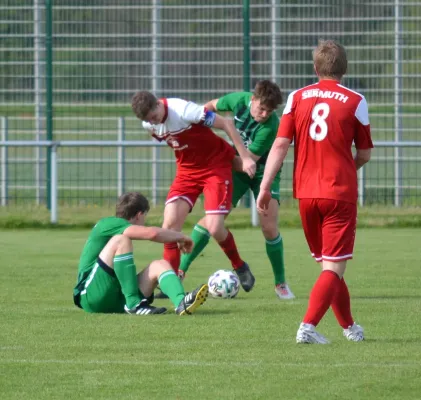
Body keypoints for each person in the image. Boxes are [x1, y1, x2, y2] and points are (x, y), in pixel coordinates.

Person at [257, 39, 373, 343]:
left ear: (315, 67)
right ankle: (307, 326)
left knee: (330, 266)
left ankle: (349, 327)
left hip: (306, 194)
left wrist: (265, 186)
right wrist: (347, 169)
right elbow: (364, 154)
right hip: (338, 192)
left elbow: (280, 144)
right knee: (333, 267)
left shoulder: (297, 97)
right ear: (344, 69)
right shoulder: (355, 100)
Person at [131, 91, 257, 296]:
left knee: (215, 227)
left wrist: (244, 158)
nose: (152, 122)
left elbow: (227, 124)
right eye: (147, 120)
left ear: (157, 104)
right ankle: (172, 282)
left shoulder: (184, 110)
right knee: (169, 227)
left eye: (153, 116)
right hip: (187, 172)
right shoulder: (149, 125)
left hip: (215, 167)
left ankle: (239, 265)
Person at [178, 80, 295, 299]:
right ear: (253, 99)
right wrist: (198, 127)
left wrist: (215, 153)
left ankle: (280, 283)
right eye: (261, 108)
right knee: (213, 220)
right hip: (236, 165)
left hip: (263, 171)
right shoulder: (238, 100)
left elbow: (248, 162)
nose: (264, 114)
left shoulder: (271, 126)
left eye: (269, 111)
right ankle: (180, 271)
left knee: (269, 227)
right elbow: (212, 105)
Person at [73, 192, 209, 316]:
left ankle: (181, 302)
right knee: (120, 240)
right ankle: (134, 304)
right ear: (139, 215)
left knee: (160, 265)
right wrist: (182, 237)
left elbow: (154, 234)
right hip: (91, 295)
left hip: (116, 298)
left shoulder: (118, 226)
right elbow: (153, 233)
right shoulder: (107, 223)